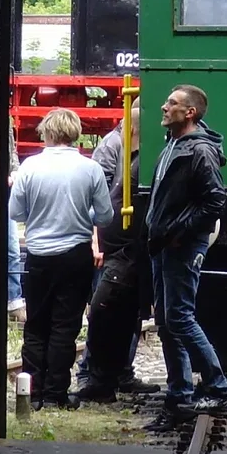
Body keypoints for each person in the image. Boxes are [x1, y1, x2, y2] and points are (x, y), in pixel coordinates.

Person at [9, 107, 113, 409]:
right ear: (74, 133)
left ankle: (33, 392)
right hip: (75, 255)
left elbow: (16, 212)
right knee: (65, 325)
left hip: (39, 254)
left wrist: (39, 217)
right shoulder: (89, 168)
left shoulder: (29, 167)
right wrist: (82, 214)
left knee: (36, 324)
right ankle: (57, 393)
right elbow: (104, 214)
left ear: (47, 132)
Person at [145, 84, 227, 416]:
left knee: (179, 317)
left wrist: (180, 233)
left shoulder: (199, 151)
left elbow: (215, 202)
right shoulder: (174, 145)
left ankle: (217, 389)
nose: (164, 108)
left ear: (190, 112)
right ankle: (179, 392)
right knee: (167, 320)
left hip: (179, 244)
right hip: (164, 244)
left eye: (172, 103)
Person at [74, 102, 150, 401]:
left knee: (123, 312)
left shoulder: (138, 150)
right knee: (104, 310)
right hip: (111, 246)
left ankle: (119, 374)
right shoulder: (112, 146)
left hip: (128, 247)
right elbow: (97, 195)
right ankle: (91, 375)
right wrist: (96, 239)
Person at [7, 123, 25, 323]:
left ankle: (13, 300)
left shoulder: (7, 121)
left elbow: (11, 150)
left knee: (12, 249)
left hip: (6, 190)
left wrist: (14, 171)